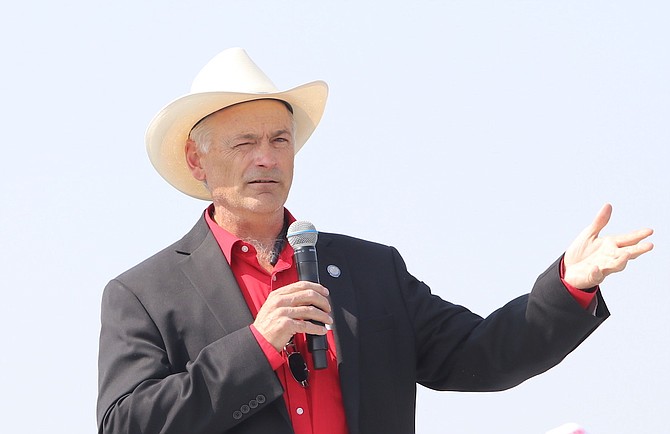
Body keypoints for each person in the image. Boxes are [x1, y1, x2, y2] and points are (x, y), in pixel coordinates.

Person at [96, 48, 654, 434]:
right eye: (244, 142)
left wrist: (570, 286)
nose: (266, 158)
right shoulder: (146, 293)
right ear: (197, 159)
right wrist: (258, 346)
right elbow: (127, 424)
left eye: (280, 140)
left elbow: (484, 356)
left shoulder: (370, 271)